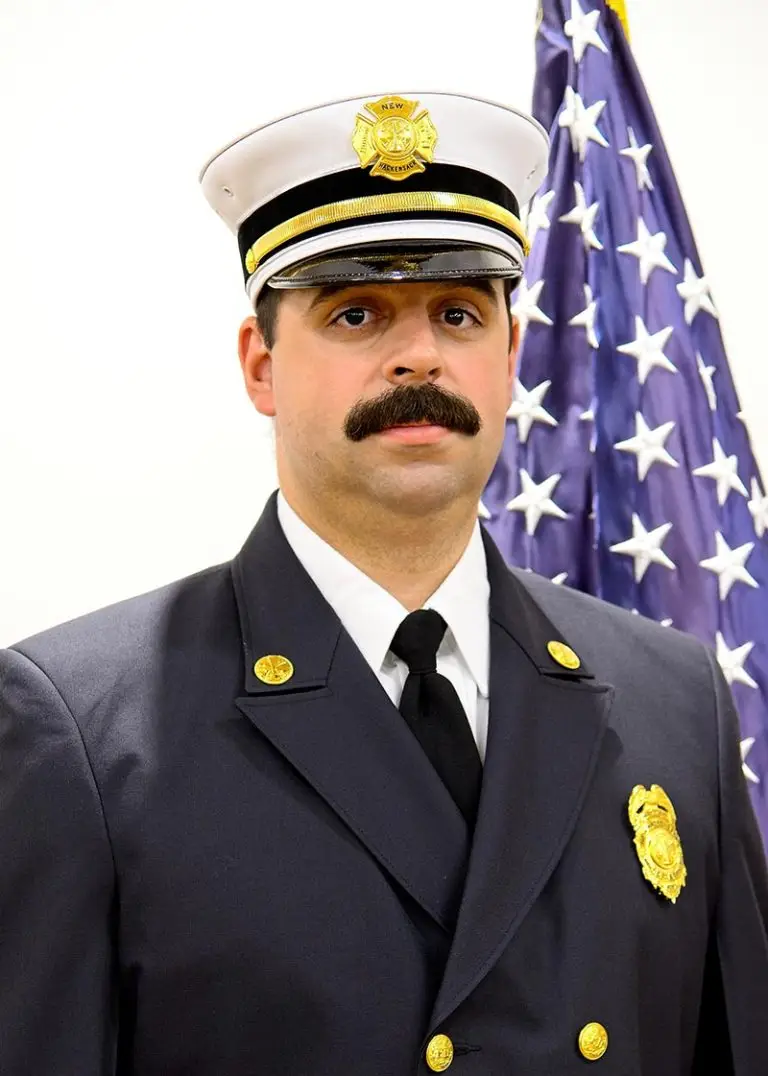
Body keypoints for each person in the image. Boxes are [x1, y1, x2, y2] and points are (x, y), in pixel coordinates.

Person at [1, 91, 766, 1076]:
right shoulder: (82, 734)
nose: (418, 355)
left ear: (510, 356)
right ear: (261, 364)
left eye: (458, 311)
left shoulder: (676, 703)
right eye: (356, 312)